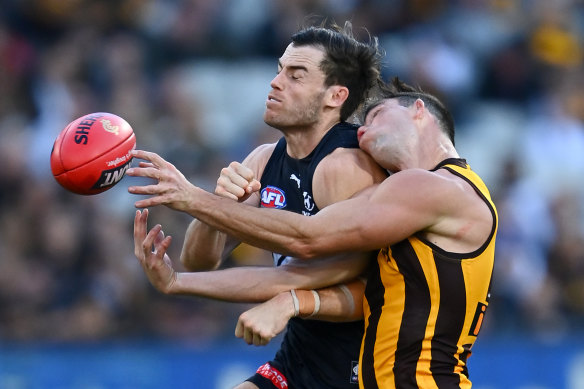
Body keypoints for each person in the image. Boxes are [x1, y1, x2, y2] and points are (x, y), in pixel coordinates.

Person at [128, 77, 497, 388]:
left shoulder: (436, 187)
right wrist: (178, 281)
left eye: (378, 115)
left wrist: (194, 198)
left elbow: (308, 238)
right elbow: (360, 295)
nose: (363, 130)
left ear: (420, 111)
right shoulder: (407, 201)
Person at [132, 21, 387, 389]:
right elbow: (201, 259)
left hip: (363, 368)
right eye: (279, 69)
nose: (276, 82)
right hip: (299, 360)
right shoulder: (264, 160)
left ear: (335, 96)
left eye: (296, 76)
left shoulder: (347, 164)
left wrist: (196, 202)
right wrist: (217, 208)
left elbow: (312, 265)